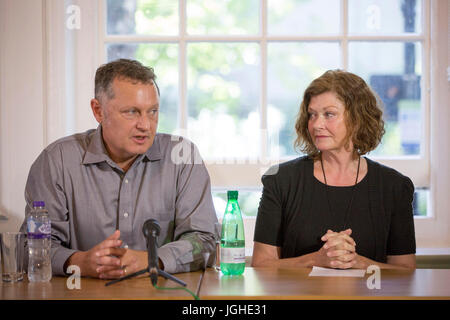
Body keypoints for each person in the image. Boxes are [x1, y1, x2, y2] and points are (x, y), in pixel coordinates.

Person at [21, 59, 218, 279]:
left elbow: (205, 240)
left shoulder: (183, 157)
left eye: (152, 111)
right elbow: (31, 246)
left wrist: (152, 260)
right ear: (98, 111)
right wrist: (79, 262)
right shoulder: (56, 161)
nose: (145, 125)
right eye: (132, 112)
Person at [252, 69, 416, 270]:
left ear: (357, 119)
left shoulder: (395, 186)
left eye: (329, 114)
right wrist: (316, 260)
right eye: (312, 115)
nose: (316, 124)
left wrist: (359, 262)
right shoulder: (280, 180)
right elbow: (261, 264)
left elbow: (405, 271)